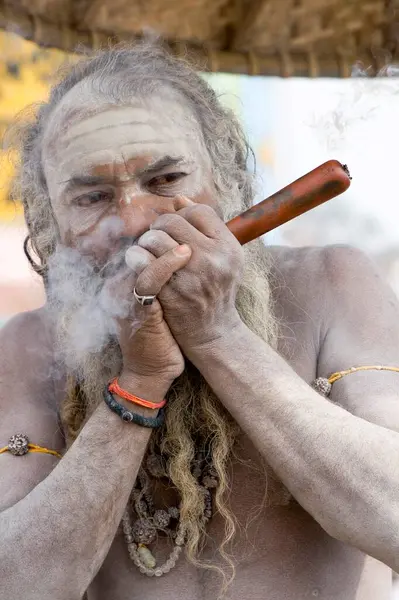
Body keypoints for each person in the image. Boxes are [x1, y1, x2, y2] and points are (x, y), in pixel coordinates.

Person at [0, 41, 398, 600]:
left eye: (165, 181)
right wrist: (138, 386)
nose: (135, 220)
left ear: (227, 176)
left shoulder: (330, 282)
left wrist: (219, 335)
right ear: (50, 222)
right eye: (92, 196)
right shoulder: (29, 347)